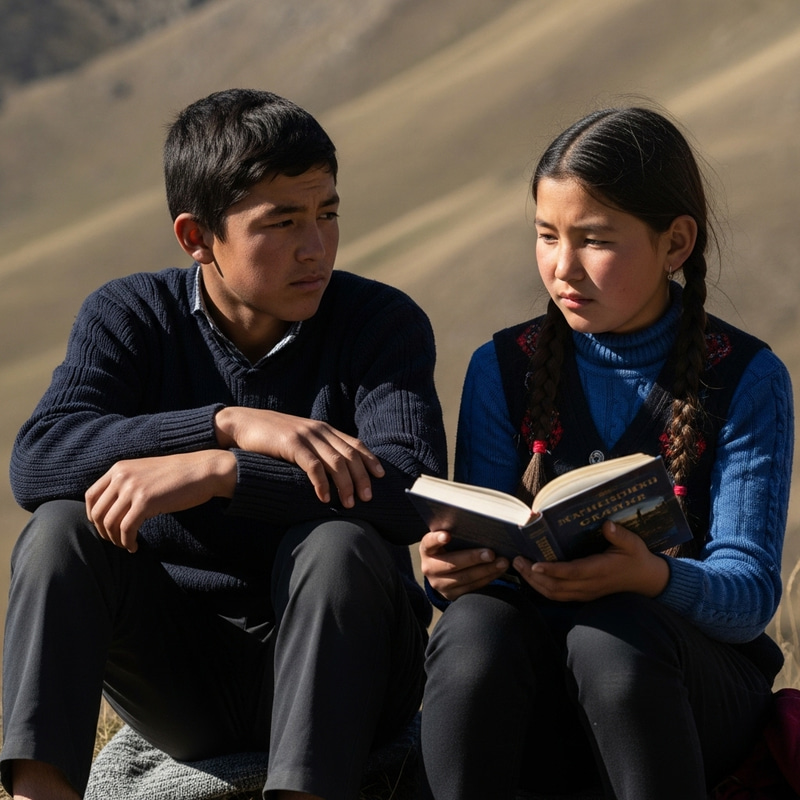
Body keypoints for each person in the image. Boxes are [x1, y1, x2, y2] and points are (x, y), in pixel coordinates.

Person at [0, 88, 447, 800]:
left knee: (337, 546)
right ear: (196, 236)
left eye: (328, 213)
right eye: (284, 222)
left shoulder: (378, 323)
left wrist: (224, 474)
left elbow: (409, 491)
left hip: (352, 669)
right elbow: (39, 458)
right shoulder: (131, 316)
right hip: (188, 687)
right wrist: (223, 425)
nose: (317, 247)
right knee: (60, 530)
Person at [417, 106, 793, 800]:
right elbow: (487, 554)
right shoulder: (502, 369)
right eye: (546, 235)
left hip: (685, 686)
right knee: (471, 634)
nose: (563, 268)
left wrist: (649, 578)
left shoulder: (746, 377)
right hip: (541, 670)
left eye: (594, 241)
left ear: (676, 243)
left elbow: (747, 598)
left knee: (608, 640)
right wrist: (451, 572)